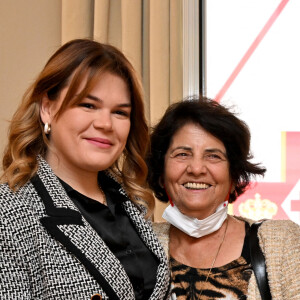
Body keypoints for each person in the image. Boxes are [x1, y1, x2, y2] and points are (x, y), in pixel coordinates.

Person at [0, 39, 170, 299]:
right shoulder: (9, 212)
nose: (105, 123)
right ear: (47, 108)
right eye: (88, 105)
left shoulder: (132, 204)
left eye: (120, 113)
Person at [147, 97, 300, 299]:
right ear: (161, 173)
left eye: (213, 156)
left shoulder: (281, 244)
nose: (196, 169)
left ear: (233, 176)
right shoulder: (142, 243)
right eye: (183, 154)